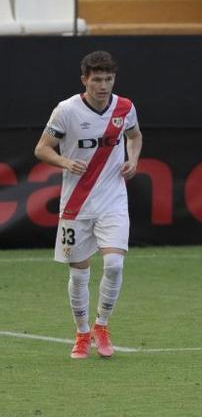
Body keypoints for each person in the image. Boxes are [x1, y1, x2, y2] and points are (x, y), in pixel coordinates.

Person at [34, 51, 142, 359]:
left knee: (115, 264)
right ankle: (82, 333)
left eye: (108, 79)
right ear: (85, 80)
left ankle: (102, 326)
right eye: (97, 80)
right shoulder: (66, 110)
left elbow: (135, 136)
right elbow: (42, 148)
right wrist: (64, 161)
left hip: (113, 199)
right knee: (79, 273)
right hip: (76, 203)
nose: (103, 86)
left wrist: (133, 160)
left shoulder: (125, 107)